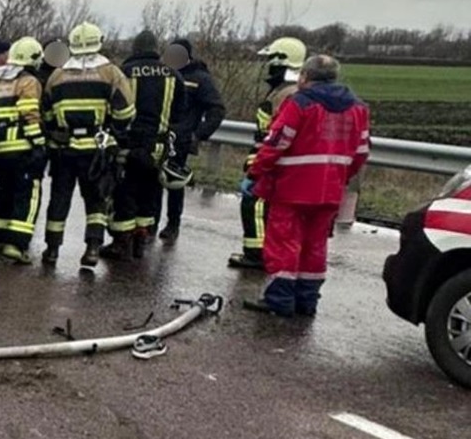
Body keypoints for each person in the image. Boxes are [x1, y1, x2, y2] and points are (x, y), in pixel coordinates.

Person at [241, 55, 370, 317]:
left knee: (284, 243)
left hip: (293, 187)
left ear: (305, 77)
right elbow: (361, 152)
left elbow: (276, 142)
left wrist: (256, 171)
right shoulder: (357, 108)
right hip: (330, 189)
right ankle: (307, 300)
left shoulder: (300, 103)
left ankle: (280, 300)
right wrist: (340, 176)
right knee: (315, 246)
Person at [40, 22, 135, 267]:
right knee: (95, 200)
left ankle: (51, 250)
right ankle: (92, 249)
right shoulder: (111, 73)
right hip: (96, 149)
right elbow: (125, 112)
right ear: (98, 42)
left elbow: (47, 114)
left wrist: (57, 132)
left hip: (64, 149)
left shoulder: (57, 75)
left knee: (59, 198)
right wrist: (113, 129)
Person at [100, 29, 185, 261]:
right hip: (157, 146)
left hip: (129, 144)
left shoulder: (124, 73)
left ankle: (121, 242)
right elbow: (178, 114)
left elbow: (115, 109)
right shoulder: (174, 75)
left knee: (124, 192)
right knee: (150, 191)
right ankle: (141, 238)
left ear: (135, 49)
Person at [228, 37, 306, 269]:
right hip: (271, 160)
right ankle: (263, 253)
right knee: (264, 208)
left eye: (272, 61)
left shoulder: (288, 94)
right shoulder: (283, 91)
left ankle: (256, 254)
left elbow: (274, 136)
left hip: (274, 164)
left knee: (255, 204)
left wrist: (256, 169)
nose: (269, 67)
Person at [156, 38, 227, 242]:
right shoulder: (163, 73)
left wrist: (199, 134)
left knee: (174, 184)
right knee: (152, 182)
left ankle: (172, 224)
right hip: (158, 135)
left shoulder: (199, 79)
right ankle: (149, 223)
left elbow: (217, 109)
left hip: (181, 139)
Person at [0, 36, 46, 264]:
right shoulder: (28, 81)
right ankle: (16, 245)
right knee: (27, 195)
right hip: (22, 148)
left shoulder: (0, 82)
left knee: (4, 191)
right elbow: (30, 114)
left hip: (1, 149)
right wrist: (39, 144)